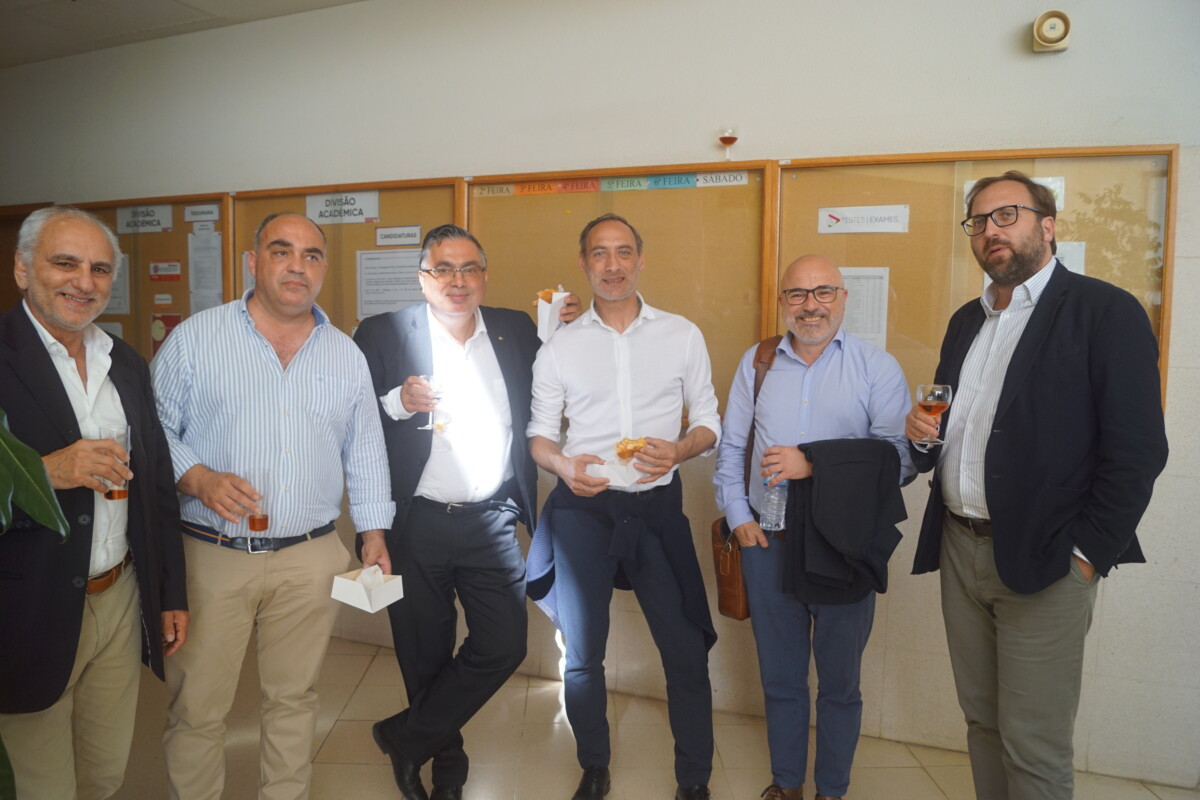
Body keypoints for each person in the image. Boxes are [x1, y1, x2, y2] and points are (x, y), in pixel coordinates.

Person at [906, 171, 1168, 800]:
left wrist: (1087, 554)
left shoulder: (1104, 311)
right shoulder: (966, 321)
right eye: (978, 221)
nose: (990, 230)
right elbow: (956, 428)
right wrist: (921, 435)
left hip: (1050, 558)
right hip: (960, 548)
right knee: (982, 723)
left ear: (1047, 226)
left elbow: (1138, 451)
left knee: (1034, 742)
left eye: (1007, 215)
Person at [151, 212, 394, 800]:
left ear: (324, 268)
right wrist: (197, 477)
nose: (297, 266)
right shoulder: (196, 339)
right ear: (252, 262)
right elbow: (151, 430)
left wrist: (374, 532)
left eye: (311, 255)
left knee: (295, 699)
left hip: (309, 555)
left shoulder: (345, 354)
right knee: (199, 707)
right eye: (281, 251)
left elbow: (365, 447)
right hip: (212, 553)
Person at [354, 224, 578, 800]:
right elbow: (351, 422)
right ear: (422, 277)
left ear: (484, 274)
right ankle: (445, 772)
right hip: (416, 522)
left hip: (491, 517)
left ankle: (405, 737)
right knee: (423, 653)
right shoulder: (382, 333)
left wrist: (570, 332)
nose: (457, 281)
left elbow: (553, 385)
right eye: (443, 269)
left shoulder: (513, 328)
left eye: (469, 268)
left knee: (504, 644)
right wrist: (397, 401)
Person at [527, 213, 722, 800]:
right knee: (583, 652)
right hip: (583, 511)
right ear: (584, 263)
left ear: (640, 259)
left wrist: (680, 449)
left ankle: (694, 779)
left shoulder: (681, 334)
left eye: (623, 252)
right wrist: (563, 466)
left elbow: (708, 420)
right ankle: (594, 765)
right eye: (599, 253)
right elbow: (539, 435)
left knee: (684, 651)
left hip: (656, 509)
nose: (612, 265)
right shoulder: (560, 346)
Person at [0, 206, 188, 799]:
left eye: (100, 269)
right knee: (42, 785)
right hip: (27, 606)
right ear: (23, 269)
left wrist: (169, 592)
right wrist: (42, 474)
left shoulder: (124, 362)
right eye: (66, 263)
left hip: (119, 596)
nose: (84, 282)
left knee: (105, 773)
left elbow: (156, 487)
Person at [714, 254, 913, 800]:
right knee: (780, 678)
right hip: (768, 541)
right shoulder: (758, 363)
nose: (811, 306)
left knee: (840, 684)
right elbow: (731, 448)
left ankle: (831, 790)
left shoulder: (876, 368)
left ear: (843, 299)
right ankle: (786, 784)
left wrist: (815, 464)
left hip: (843, 546)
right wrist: (738, 516)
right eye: (798, 294)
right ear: (783, 302)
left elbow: (898, 461)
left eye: (824, 292)